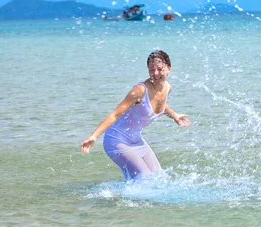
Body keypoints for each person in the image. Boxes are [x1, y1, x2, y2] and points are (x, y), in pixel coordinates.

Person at [81, 50, 191, 180]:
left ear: (169, 68)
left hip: (136, 139)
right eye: (151, 70)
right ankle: (124, 200)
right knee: (144, 178)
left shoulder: (167, 88)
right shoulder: (139, 91)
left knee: (159, 177)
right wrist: (94, 136)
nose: (155, 73)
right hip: (116, 140)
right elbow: (115, 115)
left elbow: (160, 103)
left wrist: (175, 116)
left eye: (159, 69)